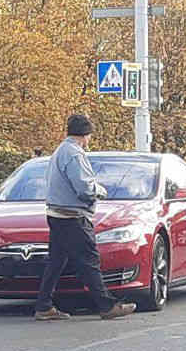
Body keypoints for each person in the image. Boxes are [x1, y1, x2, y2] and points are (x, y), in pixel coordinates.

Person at [34, 114, 137, 321]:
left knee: (56, 262)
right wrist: (100, 190)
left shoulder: (60, 151)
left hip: (57, 214)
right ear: (85, 134)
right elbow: (83, 188)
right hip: (73, 216)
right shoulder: (74, 154)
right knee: (89, 260)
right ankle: (107, 306)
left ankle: (44, 305)